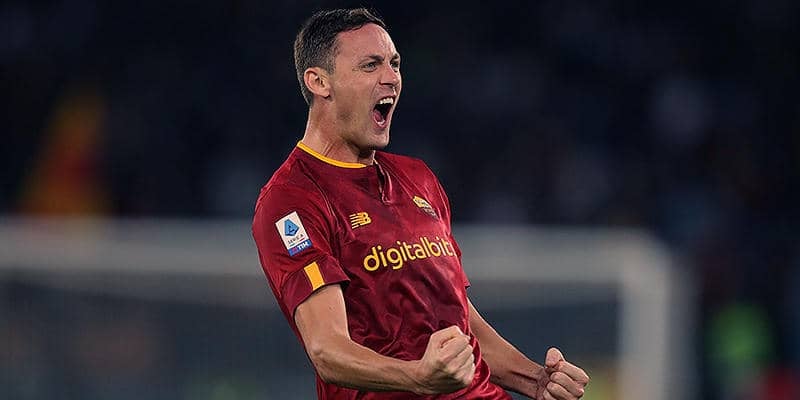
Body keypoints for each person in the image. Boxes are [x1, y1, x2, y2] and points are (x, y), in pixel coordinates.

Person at [252, 8, 590, 400]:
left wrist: (535, 380)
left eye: (394, 64)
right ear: (319, 82)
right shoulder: (292, 200)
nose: (391, 77)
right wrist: (417, 377)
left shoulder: (418, 178)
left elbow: (459, 319)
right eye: (370, 65)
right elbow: (328, 350)